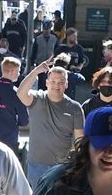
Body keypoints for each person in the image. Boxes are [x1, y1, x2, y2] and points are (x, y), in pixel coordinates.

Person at [17, 58, 85, 188]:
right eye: (53, 81)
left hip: (62, 167)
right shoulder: (37, 99)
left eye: (61, 82)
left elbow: (79, 140)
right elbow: (21, 93)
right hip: (37, 165)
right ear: (47, 83)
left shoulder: (75, 108)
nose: (56, 85)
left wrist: (76, 166)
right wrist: (36, 71)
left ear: (66, 84)